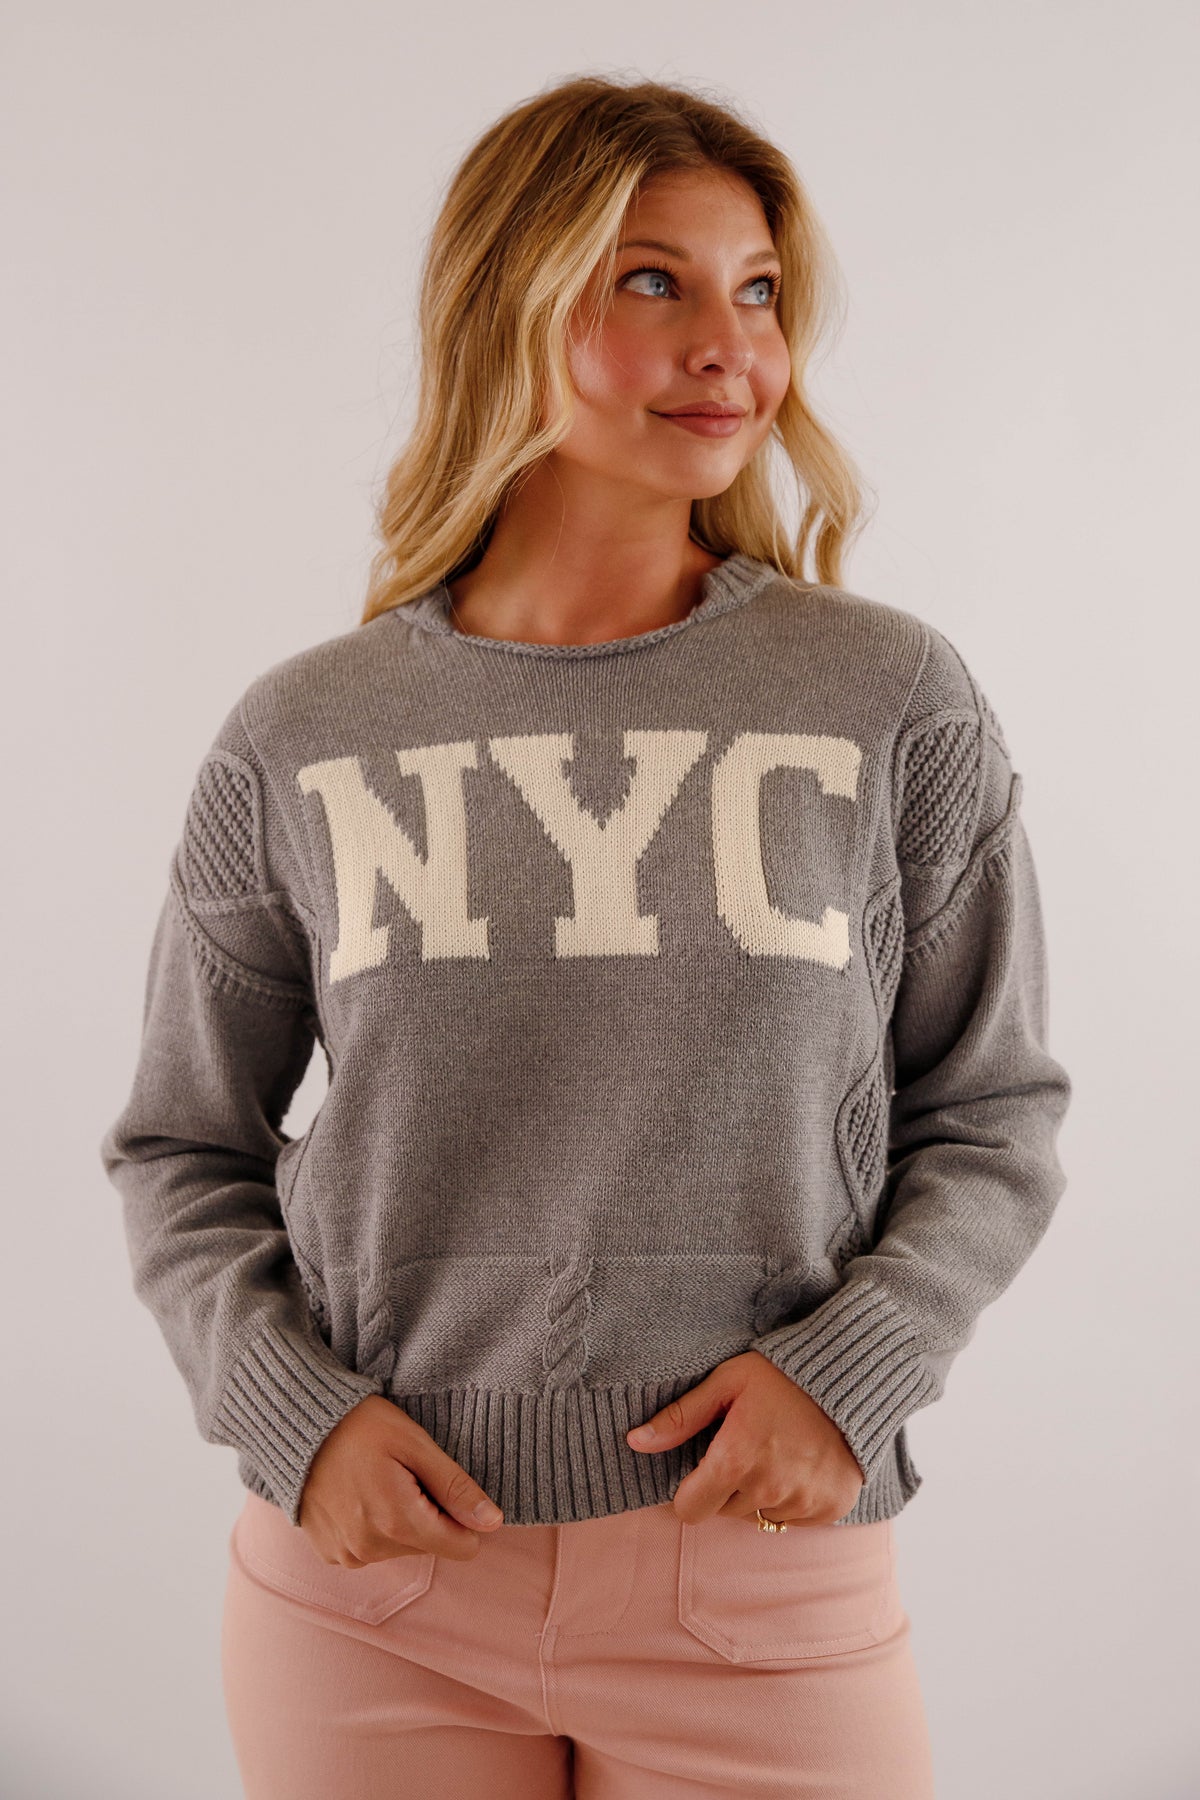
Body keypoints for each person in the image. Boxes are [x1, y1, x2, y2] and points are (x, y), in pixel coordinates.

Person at [99, 71, 1071, 1800]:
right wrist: (291, 1415)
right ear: (509, 304)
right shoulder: (302, 734)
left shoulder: (886, 698)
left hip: (761, 1572)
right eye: (651, 282)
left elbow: (992, 1111)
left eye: (757, 291)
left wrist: (852, 1375)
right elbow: (183, 1144)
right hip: (369, 1594)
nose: (730, 348)